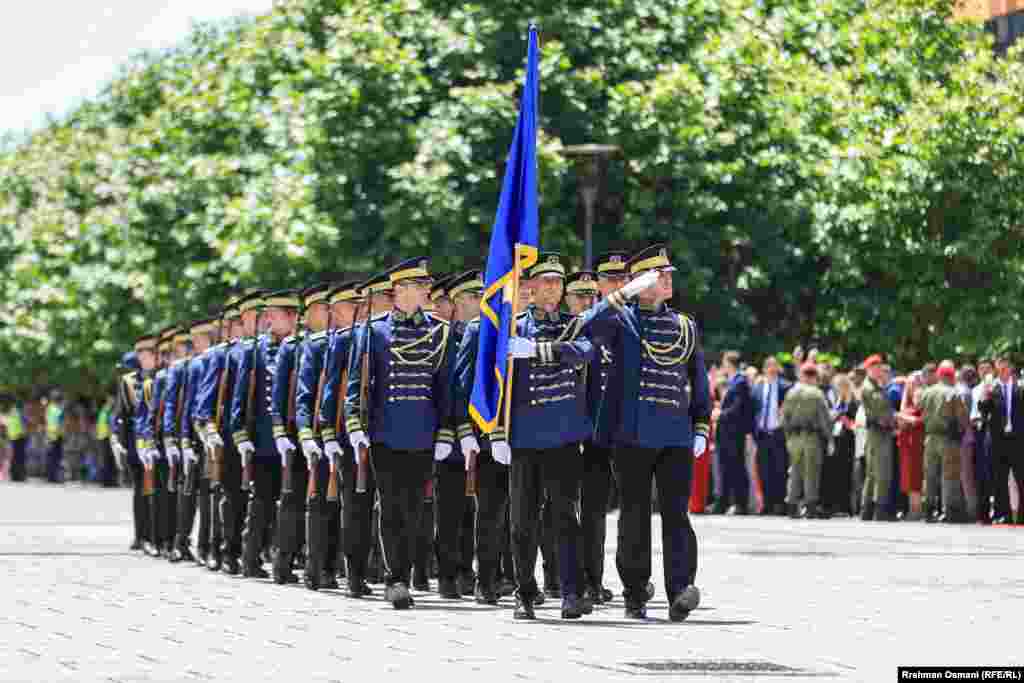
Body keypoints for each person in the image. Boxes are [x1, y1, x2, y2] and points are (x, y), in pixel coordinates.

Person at [574, 243, 710, 622]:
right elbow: (584, 326)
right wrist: (623, 294)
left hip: (675, 436)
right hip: (631, 435)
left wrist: (700, 425)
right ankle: (635, 591)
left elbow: (697, 380)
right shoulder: (622, 319)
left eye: (667, 275)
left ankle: (681, 588)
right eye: (658, 275)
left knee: (676, 514)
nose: (667, 280)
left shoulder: (685, 325)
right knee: (634, 516)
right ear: (640, 282)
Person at [344, 258, 454, 610]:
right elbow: (356, 384)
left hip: (422, 433)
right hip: (385, 433)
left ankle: (403, 572)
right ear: (401, 290)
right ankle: (396, 580)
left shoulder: (439, 331)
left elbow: (444, 388)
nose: (426, 292)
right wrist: (355, 425)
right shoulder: (374, 331)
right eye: (420, 287)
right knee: (390, 507)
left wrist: (447, 432)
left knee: (415, 510)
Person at [499, 252, 594, 620]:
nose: (553, 289)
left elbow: (582, 353)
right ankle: (524, 591)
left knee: (565, 517)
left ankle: (571, 591)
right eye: (546, 282)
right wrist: (496, 434)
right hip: (524, 438)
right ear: (532, 288)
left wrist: (538, 351)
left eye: (558, 282)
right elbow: (500, 384)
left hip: (564, 437)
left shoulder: (576, 325)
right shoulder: (515, 327)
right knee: (523, 521)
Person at [231, 290, 302, 581]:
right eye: (267, 315)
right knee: (260, 501)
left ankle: (283, 562)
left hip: (294, 439)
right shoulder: (254, 349)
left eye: (274, 315)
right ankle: (250, 559)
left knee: (291, 502)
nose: (268, 321)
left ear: (293, 317)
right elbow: (239, 395)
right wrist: (240, 433)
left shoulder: (302, 346)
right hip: (262, 441)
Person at [316, 279, 377, 597]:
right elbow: (329, 391)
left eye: (361, 304)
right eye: (352, 305)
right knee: (355, 507)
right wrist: (329, 434)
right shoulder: (342, 340)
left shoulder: (377, 337)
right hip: (347, 438)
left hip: (379, 434)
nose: (359, 310)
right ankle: (353, 573)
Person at [431, 270, 484, 600]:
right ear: (454, 304)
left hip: (483, 435)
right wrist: (448, 431)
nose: (478, 304)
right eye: (470, 298)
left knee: (476, 509)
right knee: (449, 509)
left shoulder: (484, 335)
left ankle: (470, 569)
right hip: (450, 437)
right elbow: (442, 390)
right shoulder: (443, 338)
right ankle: (448, 572)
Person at [566, 268, 613, 604]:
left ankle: (593, 580)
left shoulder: (603, 334)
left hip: (596, 438)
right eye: (578, 295)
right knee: (560, 511)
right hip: (563, 435)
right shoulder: (556, 333)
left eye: (590, 295)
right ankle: (562, 578)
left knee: (595, 513)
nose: (585, 301)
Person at [919, 361, 970, 522]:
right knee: (949, 476)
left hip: (929, 438)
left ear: (939, 375)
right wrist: (962, 430)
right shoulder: (953, 393)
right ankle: (950, 512)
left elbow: (920, 409)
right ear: (952, 375)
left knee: (930, 476)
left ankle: (928, 511)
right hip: (948, 439)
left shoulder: (927, 392)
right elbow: (963, 418)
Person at [780, 362, 832, 518]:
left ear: (802, 376)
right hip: (811, 437)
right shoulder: (816, 394)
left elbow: (784, 418)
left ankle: (792, 505)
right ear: (815, 377)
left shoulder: (791, 393)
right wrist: (829, 438)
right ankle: (810, 507)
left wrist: (789, 438)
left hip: (794, 438)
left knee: (795, 471)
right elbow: (824, 419)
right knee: (811, 472)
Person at [979, 357, 1024, 524]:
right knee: (999, 478)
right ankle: (1002, 514)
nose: (1003, 372)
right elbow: (983, 411)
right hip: (999, 440)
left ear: (1011, 368)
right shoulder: (993, 388)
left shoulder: (1020, 386)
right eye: (1000, 369)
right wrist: (985, 394)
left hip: (1018, 439)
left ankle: (1021, 515)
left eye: (1005, 368)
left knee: (1021, 477)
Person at [114, 348, 148, 550]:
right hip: (135, 447)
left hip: (146, 444)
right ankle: (140, 535)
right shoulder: (126, 384)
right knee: (140, 491)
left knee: (149, 491)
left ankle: (149, 535)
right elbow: (120, 416)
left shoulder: (140, 382)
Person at [713, 350, 755, 514]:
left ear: (729, 363)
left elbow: (737, 408)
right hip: (726, 432)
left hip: (734, 432)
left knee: (737, 468)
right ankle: (724, 502)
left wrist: (720, 414)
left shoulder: (740, 382)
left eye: (724, 363)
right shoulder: (732, 381)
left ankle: (740, 503)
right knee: (726, 468)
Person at [753, 356, 791, 516]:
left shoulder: (785, 387)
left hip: (778, 433)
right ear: (764, 369)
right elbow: (753, 410)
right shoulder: (758, 388)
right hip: (762, 434)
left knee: (779, 470)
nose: (772, 369)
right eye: (769, 366)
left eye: (775, 366)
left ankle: (779, 503)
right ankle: (767, 504)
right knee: (764, 470)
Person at [860, 355, 897, 521]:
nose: (879, 371)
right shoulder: (870, 388)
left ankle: (867, 510)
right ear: (869, 369)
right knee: (881, 472)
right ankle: (879, 510)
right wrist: (894, 421)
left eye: (880, 368)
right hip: (878, 433)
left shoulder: (877, 387)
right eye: (876, 368)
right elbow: (879, 413)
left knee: (872, 473)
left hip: (879, 432)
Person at [825, 373, 858, 517]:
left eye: (839, 386)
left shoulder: (853, 403)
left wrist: (844, 420)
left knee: (846, 475)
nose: (837, 389)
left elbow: (855, 424)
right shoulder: (838, 401)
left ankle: (845, 507)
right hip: (837, 440)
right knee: (835, 474)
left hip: (848, 442)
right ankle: (836, 506)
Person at [896, 372, 926, 520]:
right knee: (907, 477)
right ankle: (912, 510)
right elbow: (901, 419)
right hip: (905, 443)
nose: (912, 385)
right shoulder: (906, 400)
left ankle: (916, 511)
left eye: (915, 382)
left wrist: (905, 418)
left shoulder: (922, 396)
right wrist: (902, 419)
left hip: (917, 442)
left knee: (915, 477)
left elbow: (923, 419)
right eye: (910, 383)